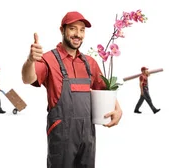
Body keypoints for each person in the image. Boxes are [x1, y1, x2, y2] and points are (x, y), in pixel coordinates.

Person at [21, 11, 123, 168]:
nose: (78, 34)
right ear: (62, 30)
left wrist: (118, 109)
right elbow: (28, 79)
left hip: (87, 135)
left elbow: (104, 90)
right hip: (61, 135)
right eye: (73, 29)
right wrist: (30, 60)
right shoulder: (49, 59)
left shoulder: (90, 63)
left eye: (82, 30)